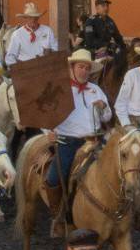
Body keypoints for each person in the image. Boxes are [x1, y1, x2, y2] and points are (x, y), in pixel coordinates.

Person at [43, 49, 110, 233]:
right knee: (54, 177)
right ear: (72, 68)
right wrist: (48, 132)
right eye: (81, 67)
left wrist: (103, 107)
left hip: (94, 141)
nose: (84, 71)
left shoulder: (95, 90)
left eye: (87, 68)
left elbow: (107, 117)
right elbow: (44, 114)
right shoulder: (59, 89)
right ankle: (57, 215)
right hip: (68, 141)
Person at [3, 2, 57, 67]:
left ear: (38, 18)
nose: (33, 20)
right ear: (25, 18)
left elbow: (56, 49)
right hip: (25, 69)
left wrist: (50, 52)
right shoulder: (17, 34)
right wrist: (18, 67)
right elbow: (10, 57)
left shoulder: (47, 30)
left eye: (35, 17)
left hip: (45, 67)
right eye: (30, 18)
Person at [81, 0, 126, 64]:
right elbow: (89, 41)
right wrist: (106, 45)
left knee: (122, 57)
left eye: (107, 6)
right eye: (103, 6)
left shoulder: (110, 21)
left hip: (108, 49)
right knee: (102, 62)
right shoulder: (90, 21)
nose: (106, 8)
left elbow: (118, 37)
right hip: (94, 51)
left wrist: (124, 47)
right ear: (97, 7)